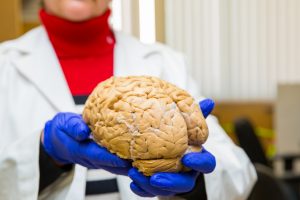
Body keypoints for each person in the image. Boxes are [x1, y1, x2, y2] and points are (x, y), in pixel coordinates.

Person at [0, 0, 257, 199]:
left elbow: (239, 175)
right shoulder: (5, 65)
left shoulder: (165, 62)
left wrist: (195, 183)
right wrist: (45, 156)